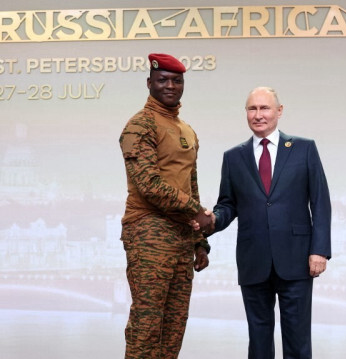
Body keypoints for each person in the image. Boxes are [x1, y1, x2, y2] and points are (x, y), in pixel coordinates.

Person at [197, 86, 331, 358]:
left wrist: (319, 250)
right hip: (253, 259)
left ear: (279, 111)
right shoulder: (233, 157)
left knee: (297, 340)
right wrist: (212, 220)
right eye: (252, 109)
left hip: (296, 260)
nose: (258, 115)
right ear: (246, 113)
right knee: (258, 341)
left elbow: (320, 202)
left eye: (265, 108)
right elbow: (228, 205)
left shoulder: (304, 149)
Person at [118, 53, 213, 359]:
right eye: (163, 80)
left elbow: (190, 183)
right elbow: (148, 184)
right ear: (150, 83)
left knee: (174, 327)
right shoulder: (139, 125)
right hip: (148, 232)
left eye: (177, 80)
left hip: (181, 237)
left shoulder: (187, 129)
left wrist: (200, 241)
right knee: (146, 326)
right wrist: (195, 210)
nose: (170, 86)